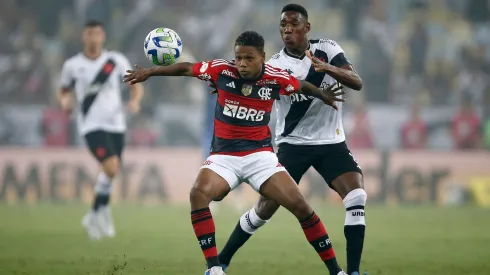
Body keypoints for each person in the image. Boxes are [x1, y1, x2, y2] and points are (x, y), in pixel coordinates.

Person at [124, 31, 348, 275]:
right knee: (198, 194)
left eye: (249, 58)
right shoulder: (221, 70)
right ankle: (214, 268)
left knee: (301, 206)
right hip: (224, 157)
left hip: (260, 157)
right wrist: (150, 72)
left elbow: (301, 85)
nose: (242, 63)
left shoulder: (276, 77)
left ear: (262, 57)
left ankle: (336, 271)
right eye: (238, 57)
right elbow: (187, 68)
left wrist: (322, 94)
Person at [217, 4, 367, 275]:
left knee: (356, 195)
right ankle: (221, 262)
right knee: (264, 208)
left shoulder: (328, 49)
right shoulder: (274, 65)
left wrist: (326, 68)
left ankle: (353, 272)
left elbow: (356, 81)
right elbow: (248, 85)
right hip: (292, 145)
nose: (287, 30)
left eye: (293, 24)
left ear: (306, 27)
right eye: (283, 25)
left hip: (331, 143)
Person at [58, 20, 144, 240]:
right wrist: (65, 102)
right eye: (89, 34)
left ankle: (95, 213)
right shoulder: (72, 65)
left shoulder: (114, 60)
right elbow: (64, 91)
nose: (93, 38)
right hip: (90, 125)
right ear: (83, 37)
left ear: (102, 36)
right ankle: (101, 212)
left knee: (110, 172)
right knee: (112, 167)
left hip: (116, 124)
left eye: (97, 33)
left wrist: (135, 101)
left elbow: (135, 84)